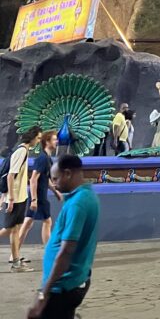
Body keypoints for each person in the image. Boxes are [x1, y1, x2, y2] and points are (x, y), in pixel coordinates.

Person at [26, 154, 99, 319]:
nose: (54, 184)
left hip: (63, 286)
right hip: (72, 281)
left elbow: (66, 251)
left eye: (56, 179)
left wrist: (43, 295)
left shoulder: (77, 204)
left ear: (68, 174)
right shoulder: (86, 196)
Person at [1, 125, 42, 272]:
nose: (38, 141)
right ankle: (16, 262)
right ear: (31, 137)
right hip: (16, 198)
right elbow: (11, 175)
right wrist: (10, 198)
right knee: (10, 229)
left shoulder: (23, 151)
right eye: (38, 138)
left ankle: (16, 262)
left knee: (14, 230)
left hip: (19, 197)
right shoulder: (21, 152)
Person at [18, 132, 63, 256]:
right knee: (47, 221)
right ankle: (49, 252)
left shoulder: (47, 159)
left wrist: (56, 191)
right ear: (47, 142)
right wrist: (34, 199)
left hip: (40, 195)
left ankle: (14, 254)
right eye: (54, 139)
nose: (56, 142)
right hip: (38, 197)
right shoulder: (42, 159)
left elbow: (45, 178)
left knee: (28, 223)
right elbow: (33, 179)